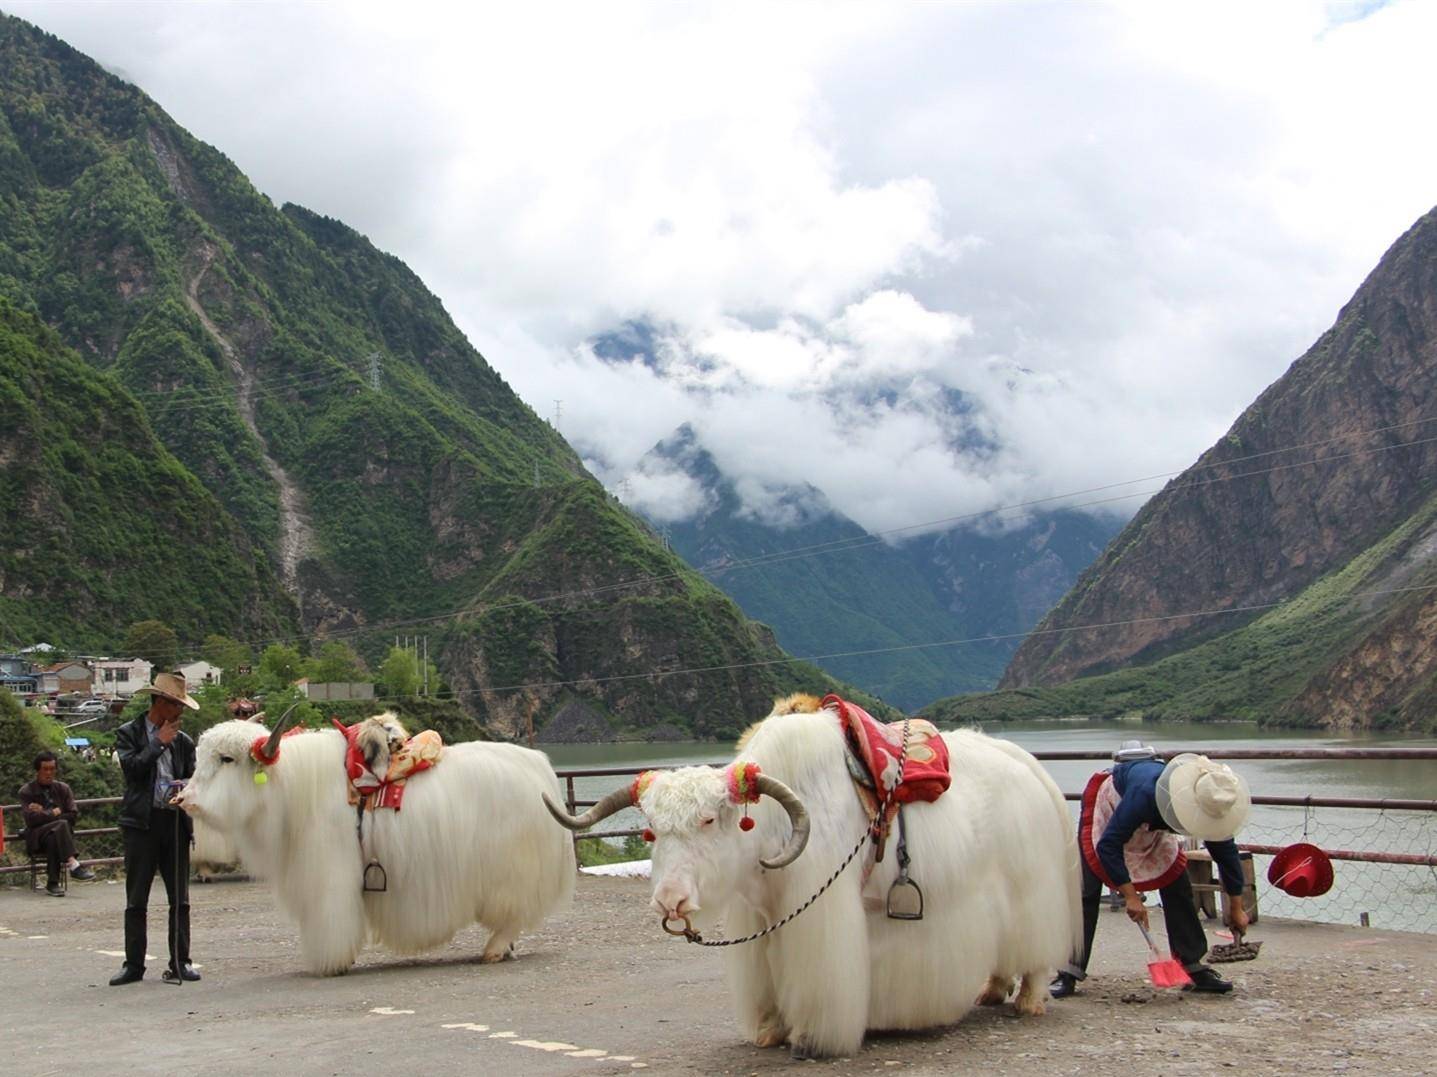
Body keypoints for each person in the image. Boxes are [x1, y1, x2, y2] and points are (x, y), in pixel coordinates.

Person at [1051, 743, 1251, 997]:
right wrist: (1131, 897)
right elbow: (1109, 846)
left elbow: (1226, 855)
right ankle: (1068, 971)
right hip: (1113, 807)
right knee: (1087, 889)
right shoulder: (1146, 794)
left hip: (1154, 823)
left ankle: (1192, 966)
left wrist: (1235, 908)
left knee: (1177, 882)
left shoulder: (1211, 803)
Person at [110, 672, 200, 986]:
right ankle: (133, 964)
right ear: (161, 703)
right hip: (141, 824)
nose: (180, 713)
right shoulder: (128, 733)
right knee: (137, 898)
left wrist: (186, 792)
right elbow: (133, 772)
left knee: (180, 898)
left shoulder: (185, 742)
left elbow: (192, 778)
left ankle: (180, 961)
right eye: (177, 706)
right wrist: (158, 745)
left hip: (174, 821)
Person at [19, 750, 97, 895]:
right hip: (37, 836)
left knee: (55, 835)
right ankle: (73, 865)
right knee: (60, 825)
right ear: (38, 770)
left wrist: (43, 813)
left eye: (52, 769)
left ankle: (53, 884)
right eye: (45, 769)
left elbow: (72, 815)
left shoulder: (63, 789)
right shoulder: (27, 791)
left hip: (57, 836)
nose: (49, 773)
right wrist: (54, 813)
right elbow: (31, 821)